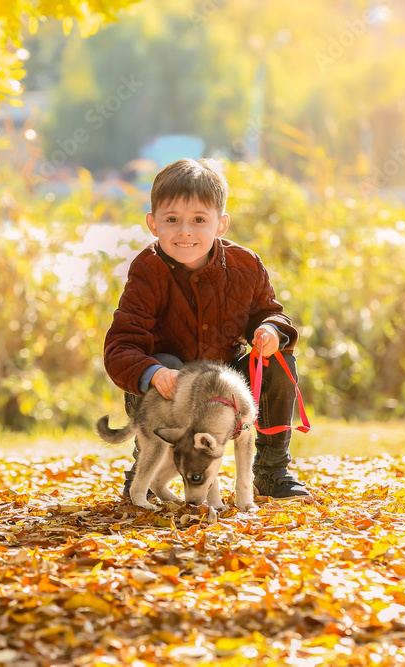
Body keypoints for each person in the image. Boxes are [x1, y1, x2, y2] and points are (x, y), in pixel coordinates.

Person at [103, 158, 311, 500]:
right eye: (172, 220)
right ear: (153, 224)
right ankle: (150, 461)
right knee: (166, 363)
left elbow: (270, 313)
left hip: (221, 383)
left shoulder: (246, 265)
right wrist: (152, 373)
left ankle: (272, 470)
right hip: (172, 385)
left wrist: (271, 331)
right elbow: (122, 346)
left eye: (199, 220)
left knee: (279, 363)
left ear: (220, 224)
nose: (185, 231)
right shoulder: (148, 271)